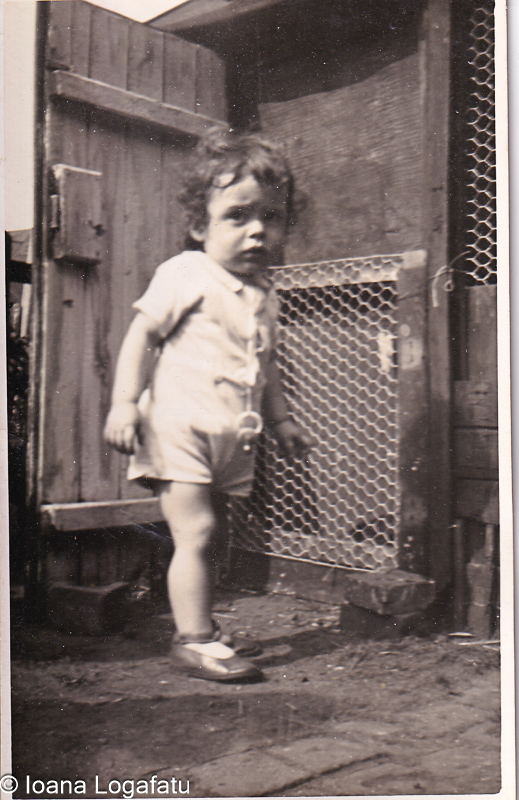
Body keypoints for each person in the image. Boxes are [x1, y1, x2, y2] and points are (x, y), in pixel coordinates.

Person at [104, 127, 309, 682]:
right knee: (194, 533)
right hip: (181, 430)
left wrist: (283, 420)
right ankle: (193, 641)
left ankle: (204, 625)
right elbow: (142, 337)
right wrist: (124, 403)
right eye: (237, 216)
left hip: (232, 438)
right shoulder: (185, 273)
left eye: (271, 217)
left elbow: (266, 366)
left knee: (214, 538)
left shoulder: (266, 295)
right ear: (200, 225)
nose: (257, 230)